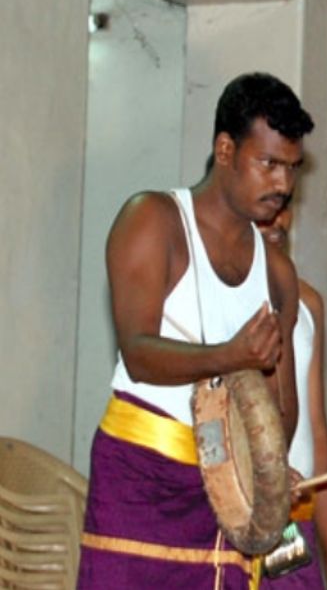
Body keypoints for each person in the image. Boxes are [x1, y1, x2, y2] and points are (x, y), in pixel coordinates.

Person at [79, 72, 312, 589]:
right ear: (225, 150)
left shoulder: (277, 274)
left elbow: (283, 408)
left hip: (228, 494)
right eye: (268, 163)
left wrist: (269, 465)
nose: (282, 185)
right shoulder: (153, 219)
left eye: (292, 169)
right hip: (141, 475)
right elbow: (138, 353)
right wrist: (230, 355)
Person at [257, 205, 327, 589]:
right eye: (265, 208)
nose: (276, 220)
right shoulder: (203, 300)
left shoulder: (309, 303)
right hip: (226, 525)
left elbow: (317, 435)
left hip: (293, 526)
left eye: (285, 207)